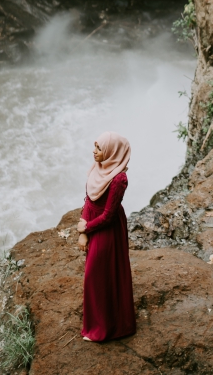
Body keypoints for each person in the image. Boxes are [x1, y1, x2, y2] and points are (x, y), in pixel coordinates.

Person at [76, 131, 136, 342]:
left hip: (107, 228)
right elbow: (89, 199)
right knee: (98, 276)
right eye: (95, 146)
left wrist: (85, 229)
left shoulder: (119, 179)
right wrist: (84, 229)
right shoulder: (98, 167)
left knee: (96, 274)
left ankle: (106, 328)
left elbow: (109, 216)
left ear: (112, 152)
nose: (94, 151)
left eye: (99, 148)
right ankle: (99, 323)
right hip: (93, 223)